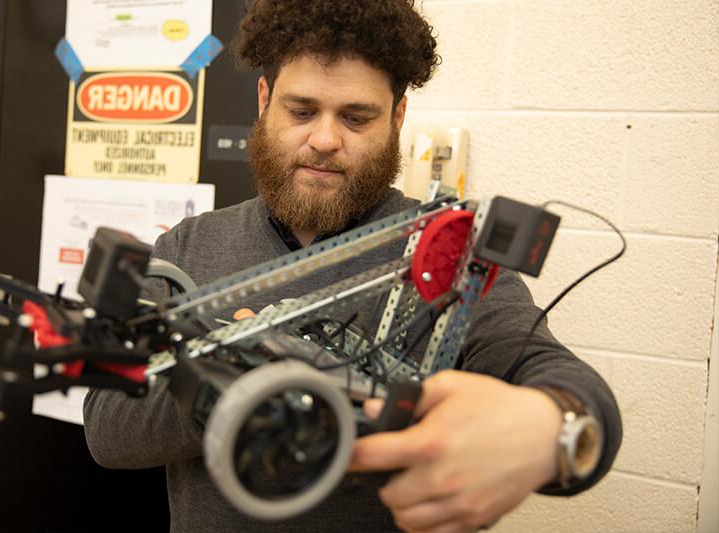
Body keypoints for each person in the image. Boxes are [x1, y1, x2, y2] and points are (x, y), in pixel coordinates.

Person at [84, 1, 622, 532]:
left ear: (398, 117)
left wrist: (554, 427)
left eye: (356, 117)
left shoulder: (448, 254)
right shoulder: (188, 248)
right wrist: (223, 385)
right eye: (301, 111)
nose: (324, 139)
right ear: (264, 100)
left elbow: (564, 383)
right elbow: (107, 427)